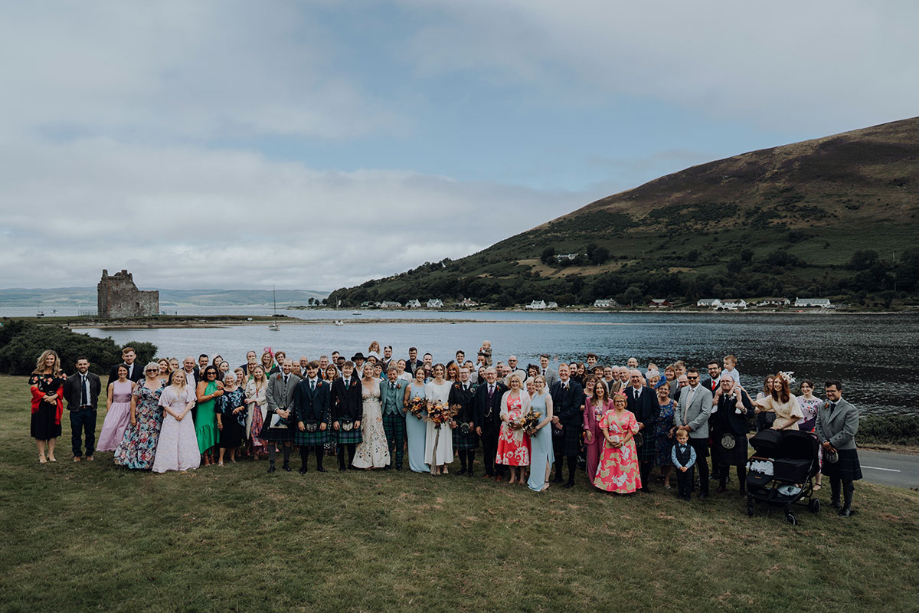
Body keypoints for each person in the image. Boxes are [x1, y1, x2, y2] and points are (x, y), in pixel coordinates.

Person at [816, 381, 862, 517]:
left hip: (845, 449)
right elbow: (818, 425)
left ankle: (847, 507)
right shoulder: (822, 406)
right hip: (827, 446)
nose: (829, 394)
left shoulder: (850, 409)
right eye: (827, 391)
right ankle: (835, 501)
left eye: (832, 391)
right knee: (833, 476)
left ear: (840, 391)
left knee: (847, 479)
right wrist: (824, 442)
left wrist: (831, 443)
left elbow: (849, 432)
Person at [115, 363, 165, 470]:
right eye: (149, 370)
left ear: (158, 371)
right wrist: (133, 417)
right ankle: (137, 460)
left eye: (154, 370)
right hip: (142, 414)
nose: (152, 372)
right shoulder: (141, 382)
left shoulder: (163, 383)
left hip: (157, 415)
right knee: (140, 437)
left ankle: (152, 462)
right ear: (146, 371)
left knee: (154, 438)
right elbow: (133, 400)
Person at [673, 368, 713, 499]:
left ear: (699, 377)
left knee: (701, 462)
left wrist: (691, 426)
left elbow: (706, 413)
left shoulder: (706, 393)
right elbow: (678, 408)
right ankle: (686, 487)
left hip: (698, 433)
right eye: (689, 378)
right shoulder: (684, 390)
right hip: (683, 432)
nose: (691, 380)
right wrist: (679, 424)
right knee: (684, 460)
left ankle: (704, 490)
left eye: (694, 378)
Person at [711, 377, 754, 495]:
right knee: (723, 462)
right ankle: (722, 485)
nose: (725, 383)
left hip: (738, 432)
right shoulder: (716, 395)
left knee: (741, 464)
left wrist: (743, 409)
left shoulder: (740, 394)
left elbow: (751, 413)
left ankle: (742, 488)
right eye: (722, 381)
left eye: (727, 381)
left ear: (733, 383)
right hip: (721, 433)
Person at [152, 370, 200, 473]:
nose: (179, 379)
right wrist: (175, 415)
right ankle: (170, 463)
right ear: (173, 377)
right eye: (177, 377)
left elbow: (191, 401)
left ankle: (186, 462)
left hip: (185, 414)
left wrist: (183, 414)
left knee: (185, 438)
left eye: (181, 377)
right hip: (171, 415)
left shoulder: (188, 388)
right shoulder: (167, 389)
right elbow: (165, 404)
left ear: (184, 378)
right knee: (171, 437)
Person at [593, 392, 641, 495]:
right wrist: (608, 439)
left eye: (621, 401)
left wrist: (623, 442)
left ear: (625, 402)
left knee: (624, 465)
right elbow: (604, 427)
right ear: (614, 403)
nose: (619, 403)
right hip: (611, 441)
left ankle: (625, 488)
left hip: (626, 443)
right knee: (610, 465)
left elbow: (632, 430)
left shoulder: (630, 415)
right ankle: (608, 486)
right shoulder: (608, 413)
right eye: (617, 401)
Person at [624, 368, 660, 493]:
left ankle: (644, 483)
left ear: (642, 378)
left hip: (646, 429)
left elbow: (656, 412)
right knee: (630, 458)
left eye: (637, 377)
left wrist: (644, 424)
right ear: (630, 378)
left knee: (645, 459)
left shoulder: (650, 392)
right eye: (633, 377)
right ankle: (630, 482)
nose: (635, 379)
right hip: (629, 431)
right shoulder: (626, 392)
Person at [293, 360, 331, 473]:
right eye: (309, 369)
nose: (311, 371)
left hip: (319, 418)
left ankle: (320, 466)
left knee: (320, 445)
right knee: (304, 445)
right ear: (307, 370)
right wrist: (299, 420)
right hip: (305, 418)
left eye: (313, 369)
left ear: (317, 369)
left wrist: (324, 421)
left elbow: (326, 405)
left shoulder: (324, 385)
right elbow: (297, 404)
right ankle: (304, 466)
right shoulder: (300, 385)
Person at [550, 363, 584, 489]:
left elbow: (576, 407)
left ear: (570, 372)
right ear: (558, 372)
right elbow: (551, 403)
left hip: (570, 424)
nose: (563, 373)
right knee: (557, 452)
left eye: (565, 371)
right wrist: (554, 419)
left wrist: (561, 419)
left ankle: (571, 479)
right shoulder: (555, 386)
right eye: (561, 371)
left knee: (571, 454)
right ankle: (558, 476)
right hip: (556, 423)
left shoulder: (577, 386)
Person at [263, 358, 300, 472]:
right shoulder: (274, 377)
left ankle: (286, 463)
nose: (287, 367)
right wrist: (277, 410)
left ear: (292, 366)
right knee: (272, 440)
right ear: (282, 365)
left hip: (288, 413)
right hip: (274, 411)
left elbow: (296, 397)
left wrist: (288, 410)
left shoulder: (296, 379)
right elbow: (268, 394)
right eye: (285, 365)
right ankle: (272, 464)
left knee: (287, 440)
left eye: (289, 366)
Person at [63, 357, 102, 462]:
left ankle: (89, 453)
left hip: (90, 409)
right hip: (76, 410)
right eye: (80, 364)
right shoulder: (70, 380)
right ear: (76, 365)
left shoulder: (95, 378)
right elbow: (67, 394)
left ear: (88, 364)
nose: (82, 366)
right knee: (76, 433)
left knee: (90, 433)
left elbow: (97, 391)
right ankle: (77, 454)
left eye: (84, 364)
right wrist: (75, 403)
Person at [30, 350, 65, 463]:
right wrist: (47, 398)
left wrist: (54, 397)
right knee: (40, 429)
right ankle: (41, 454)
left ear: (55, 360)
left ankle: (51, 453)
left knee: (53, 430)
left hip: (55, 404)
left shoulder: (60, 373)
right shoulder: (36, 373)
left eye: (52, 359)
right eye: (47, 358)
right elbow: (34, 389)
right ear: (43, 359)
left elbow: (61, 388)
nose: (49, 361)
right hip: (40, 405)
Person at [496, 373, 531, 485]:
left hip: (521, 427)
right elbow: (502, 411)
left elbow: (528, 411)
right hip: (508, 427)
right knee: (510, 452)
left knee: (521, 452)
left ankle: (522, 477)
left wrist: (521, 423)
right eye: (513, 382)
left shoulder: (525, 395)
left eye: (516, 381)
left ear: (520, 383)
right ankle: (512, 476)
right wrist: (508, 421)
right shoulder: (506, 394)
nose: (514, 383)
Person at [353, 362, 390, 469]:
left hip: (376, 410)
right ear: (363, 371)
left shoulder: (380, 382)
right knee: (365, 433)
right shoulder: (359, 383)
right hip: (364, 410)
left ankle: (379, 461)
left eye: (370, 369)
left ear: (373, 370)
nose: (368, 371)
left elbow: (385, 396)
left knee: (377, 432)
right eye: (366, 369)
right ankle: (365, 461)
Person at [474, 367, 507, 480]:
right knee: (487, 448)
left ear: (496, 375)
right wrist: (478, 425)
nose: (490, 376)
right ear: (485, 376)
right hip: (485, 424)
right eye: (488, 374)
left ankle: (499, 472)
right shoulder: (480, 389)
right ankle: (488, 471)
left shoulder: (503, 388)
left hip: (498, 424)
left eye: (492, 374)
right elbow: (476, 408)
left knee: (498, 448)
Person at [331, 361, 363, 471]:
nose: (347, 371)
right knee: (340, 443)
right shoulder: (337, 383)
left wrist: (358, 419)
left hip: (353, 416)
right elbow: (332, 402)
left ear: (352, 370)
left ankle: (350, 463)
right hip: (340, 415)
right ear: (342, 369)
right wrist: (334, 419)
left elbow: (359, 401)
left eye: (350, 369)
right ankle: (342, 465)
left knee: (351, 444)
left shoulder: (357, 382)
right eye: (346, 369)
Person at [97, 364, 136, 453]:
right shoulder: (112, 384)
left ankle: (123, 451)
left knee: (122, 430)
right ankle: (113, 448)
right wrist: (109, 412)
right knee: (111, 428)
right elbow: (109, 399)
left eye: (124, 370)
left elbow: (134, 399)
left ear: (127, 372)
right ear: (117, 372)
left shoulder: (132, 384)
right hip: (116, 408)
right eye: (120, 371)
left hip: (127, 408)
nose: (122, 372)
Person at [526, 375, 555, 492]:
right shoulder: (534, 396)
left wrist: (537, 427)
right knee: (536, 454)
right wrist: (529, 425)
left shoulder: (547, 397)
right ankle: (536, 478)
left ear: (544, 383)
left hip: (543, 429)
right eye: (535, 382)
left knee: (544, 454)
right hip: (534, 429)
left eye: (539, 382)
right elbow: (531, 413)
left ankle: (546, 481)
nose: (537, 384)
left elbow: (549, 417)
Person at [424, 363, 454, 475]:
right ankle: (436, 465)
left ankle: (445, 465)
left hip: (446, 416)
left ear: (444, 371)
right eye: (437, 370)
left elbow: (451, 401)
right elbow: (429, 402)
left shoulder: (449, 385)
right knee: (435, 441)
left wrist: (448, 414)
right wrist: (432, 413)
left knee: (445, 440)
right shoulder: (430, 386)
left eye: (441, 370)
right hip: (434, 417)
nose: (439, 372)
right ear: (433, 371)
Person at [449, 366, 478, 476]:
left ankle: (470, 468)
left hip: (471, 421)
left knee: (471, 448)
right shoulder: (455, 386)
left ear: (470, 373)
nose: (463, 375)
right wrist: (453, 420)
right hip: (459, 420)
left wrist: (474, 422)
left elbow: (477, 407)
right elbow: (451, 403)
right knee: (461, 448)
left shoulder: (475, 387)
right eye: (461, 373)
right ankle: (463, 467)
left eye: (466, 373)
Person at [380, 364, 409, 470]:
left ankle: (399, 464)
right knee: (387, 440)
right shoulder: (382, 384)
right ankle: (388, 463)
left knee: (399, 440)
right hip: (386, 414)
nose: (392, 376)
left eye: (394, 374)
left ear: (397, 374)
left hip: (399, 415)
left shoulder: (405, 384)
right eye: (390, 374)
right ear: (387, 374)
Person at [797, 380, 824, 489]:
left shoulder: (819, 402)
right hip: (799, 429)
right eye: (803, 387)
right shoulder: (797, 399)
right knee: (800, 454)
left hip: (812, 430)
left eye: (807, 387)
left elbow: (821, 418)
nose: (805, 389)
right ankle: (799, 478)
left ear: (812, 388)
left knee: (816, 454)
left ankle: (818, 482)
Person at [583, 379, 610, 484]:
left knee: (604, 457)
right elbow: (585, 414)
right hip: (592, 432)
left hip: (604, 432)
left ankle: (603, 480)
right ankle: (593, 480)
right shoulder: (589, 400)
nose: (599, 390)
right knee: (592, 459)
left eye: (601, 388)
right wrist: (586, 428)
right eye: (597, 388)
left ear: (604, 389)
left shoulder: (610, 402)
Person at [195, 365, 223, 466]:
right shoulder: (202, 384)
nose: (211, 375)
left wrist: (222, 390)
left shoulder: (219, 383)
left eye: (213, 373)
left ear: (216, 374)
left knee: (213, 433)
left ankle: (212, 456)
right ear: (206, 374)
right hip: (204, 411)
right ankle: (206, 456)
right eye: (209, 373)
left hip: (215, 412)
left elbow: (223, 395)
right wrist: (213, 395)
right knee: (205, 434)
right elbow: (199, 399)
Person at [216, 373, 246, 466]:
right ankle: (220, 459)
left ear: (235, 379)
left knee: (235, 439)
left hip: (236, 419)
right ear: (225, 380)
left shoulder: (240, 390)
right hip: (225, 418)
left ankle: (232, 458)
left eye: (231, 378)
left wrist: (239, 408)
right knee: (224, 439)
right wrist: (219, 422)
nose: (229, 380)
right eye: (227, 379)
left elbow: (244, 404)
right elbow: (218, 408)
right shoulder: (221, 392)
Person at [404, 366, 429, 473]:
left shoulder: (427, 387)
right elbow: (405, 401)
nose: (420, 376)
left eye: (422, 374)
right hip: (412, 417)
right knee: (413, 440)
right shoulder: (410, 387)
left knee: (422, 440)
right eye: (418, 374)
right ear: (415, 374)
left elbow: (428, 402)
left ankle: (423, 463)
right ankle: (414, 464)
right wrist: (412, 408)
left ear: (425, 375)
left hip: (423, 417)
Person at [652, 382, 676, 489]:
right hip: (655, 432)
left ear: (669, 391)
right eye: (661, 389)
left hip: (668, 433)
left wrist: (673, 429)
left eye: (665, 389)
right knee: (654, 455)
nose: (663, 391)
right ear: (658, 390)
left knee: (667, 458)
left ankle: (666, 480)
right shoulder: (654, 402)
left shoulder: (673, 403)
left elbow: (678, 419)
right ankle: (655, 475)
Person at [245, 365, 269, 459]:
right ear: (253, 373)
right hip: (252, 409)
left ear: (263, 372)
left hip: (262, 409)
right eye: (256, 372)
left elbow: (268, 397)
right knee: (253, 430)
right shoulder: (250, 383)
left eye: (260, 372)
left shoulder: (267, 383)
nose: (258, 374)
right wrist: (248, 398)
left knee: (263, 430)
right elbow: (246, 393)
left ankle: (264, 450)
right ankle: (255, 452)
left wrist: (255, 400)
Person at [671, 429, 697, 501]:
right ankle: (680, 494)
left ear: (687, 438)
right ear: (677, 438)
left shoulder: (690, 448)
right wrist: (679, 466)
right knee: (680, 480)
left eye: (683, 438)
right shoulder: (674, 448)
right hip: (679, 467)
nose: (682, 440)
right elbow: (674, 458)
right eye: (680, 439)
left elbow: (693, 458)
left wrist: (686, 467)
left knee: (688, 481)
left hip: (688, 468)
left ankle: (688, 495)